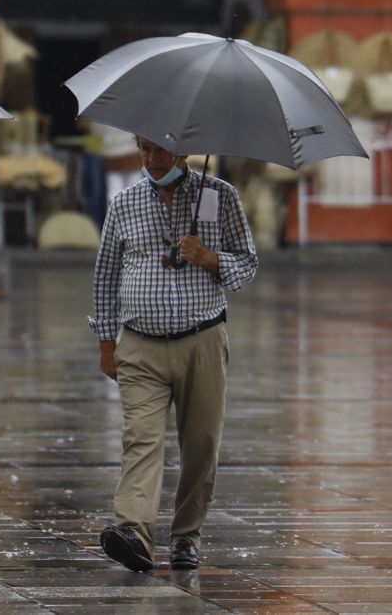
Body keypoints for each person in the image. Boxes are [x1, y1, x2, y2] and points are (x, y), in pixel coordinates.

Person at [92, 136, 257, 573]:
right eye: (144, 149)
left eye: (161, 149)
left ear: (184, 148)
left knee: (201, 443)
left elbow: (247, 263)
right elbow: (106, 275)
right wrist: (107, 343)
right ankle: (134, 533)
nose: (153, 159)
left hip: (202, 340)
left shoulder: (219, 196)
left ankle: (186, 535)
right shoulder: (123, 203)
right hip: (140, 345)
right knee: (140, 440)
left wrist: (208, 257)